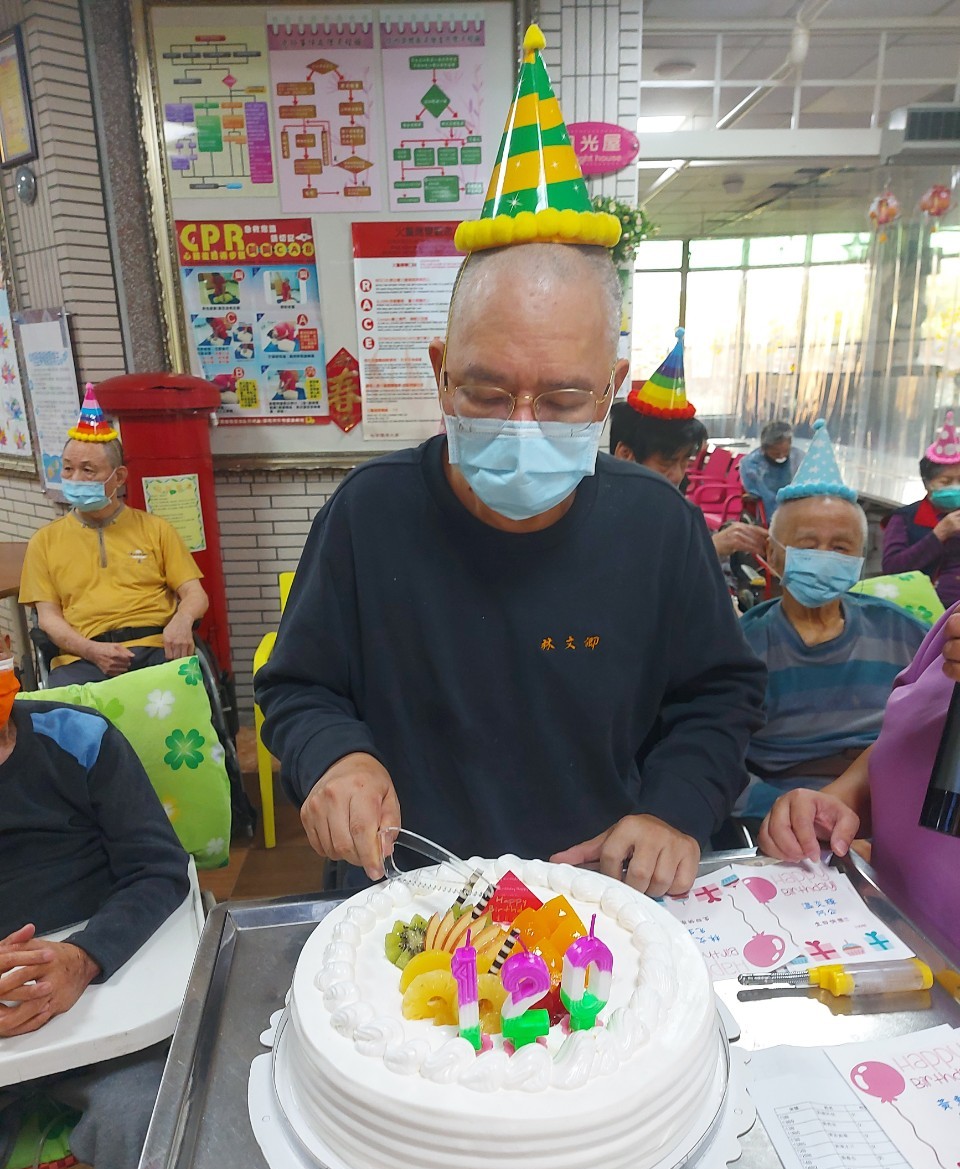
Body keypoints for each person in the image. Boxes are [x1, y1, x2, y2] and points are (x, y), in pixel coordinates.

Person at [256, 25, 766, 900]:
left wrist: (676, 808)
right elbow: (298, 686)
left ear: (610, 391)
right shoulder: (369, 515)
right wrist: (336, 756)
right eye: (488, 393)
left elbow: (720, 695)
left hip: (600, 895)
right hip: (409, 896)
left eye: (562, 400)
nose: (522, 425)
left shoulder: (658, 527)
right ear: (440, 373)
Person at [0, 647, 190, 1169]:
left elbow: (158, 868)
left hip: (103, 997)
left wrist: (84, 958)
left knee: (145, 1114)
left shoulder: (79, 739)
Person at [735, 422, 927, 823]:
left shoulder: (903, 633)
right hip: (787, 820)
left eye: (840, 547)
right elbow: (719, 760)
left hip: (895, 805)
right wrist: (785, 813)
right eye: (807, 545)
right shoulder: (743, 649)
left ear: (860, 559)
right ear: (773, 551)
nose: (825, 557)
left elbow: (937, 723)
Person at [758, 604, 960, 951]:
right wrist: (836, 803)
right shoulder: (951, 627)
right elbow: (903, 744)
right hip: (881, 931)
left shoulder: (892, 625)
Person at [19, 384, 208, 687]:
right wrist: (91, 650)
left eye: (88, 470)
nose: (75, 478)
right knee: (64, 707)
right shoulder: (44, 542)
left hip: (156, 648)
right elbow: (48, 618)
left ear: (118, 477)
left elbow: (195, 593)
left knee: (188, 698)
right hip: (82, 657)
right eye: (67, 469)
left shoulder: (156, 529)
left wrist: (182, 621)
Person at [609, 333, 768, 562]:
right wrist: (712, 547)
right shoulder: (603, 511)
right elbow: (643, 568)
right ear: (626, 454)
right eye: (667, 462)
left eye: (685, 462)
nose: (677, 475)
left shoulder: (674, 508)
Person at [882, 410, 960, 609]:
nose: (955, 487)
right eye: (946, 481)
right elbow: (892, 569)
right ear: (927, 484)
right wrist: (938, 535)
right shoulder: (905, 519)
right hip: (921, 613)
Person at [739, 419, 804, 520]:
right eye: (776, 453)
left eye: (786, 451)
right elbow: (761, 495)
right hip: (767, 513)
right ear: (764, 449)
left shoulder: (799, 458)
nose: (781, 456)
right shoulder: (751, 465)